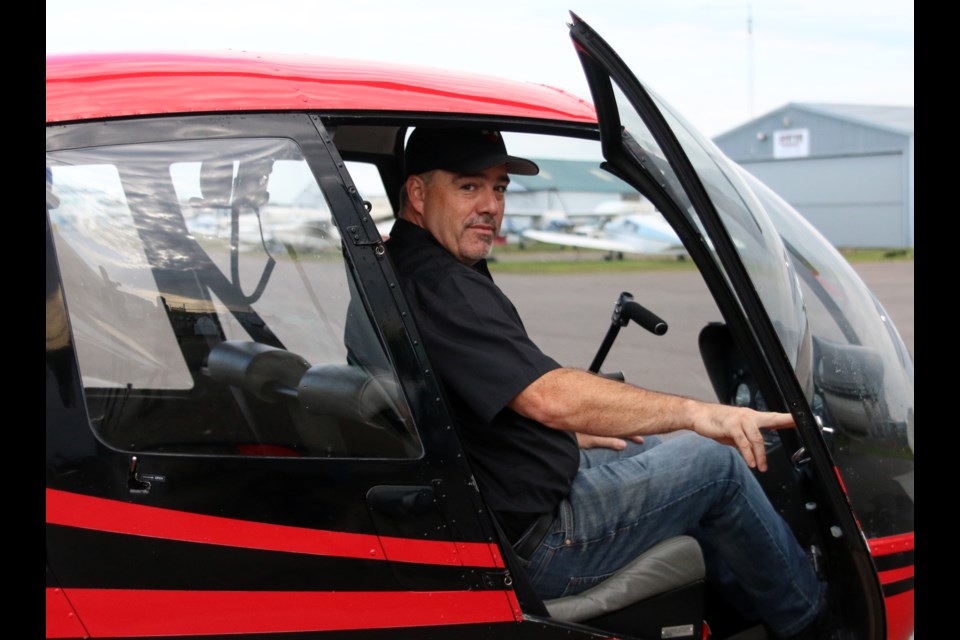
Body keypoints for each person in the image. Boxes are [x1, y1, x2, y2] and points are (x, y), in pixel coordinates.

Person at [385, 127, 836, 640]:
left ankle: (740, 605)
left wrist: (564, 437)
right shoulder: (443, 286)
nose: (491, 205)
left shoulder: (405, 265)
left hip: (492, 500)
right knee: (714, 463)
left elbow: (457, 402)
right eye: (470, 187)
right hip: (537, 542)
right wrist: (699, 413)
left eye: (500, 188)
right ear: (419, 194)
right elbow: (548, 396)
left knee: (639, 443)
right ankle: (810, 620)